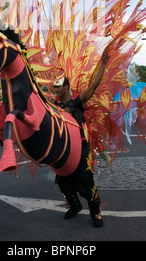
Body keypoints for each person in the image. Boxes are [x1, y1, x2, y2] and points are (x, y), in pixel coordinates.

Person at [53, 50, 110, 228]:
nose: (56, 89)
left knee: (86, 183)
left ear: (66, 87)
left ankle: (96, 213)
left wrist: (103, 64)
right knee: (63, 183)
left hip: (81, 149)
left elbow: (94, 85)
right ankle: (75, 206)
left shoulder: (78, 101)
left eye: (59, 86)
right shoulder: (55, 106)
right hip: (63, 150)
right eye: (54, 86)